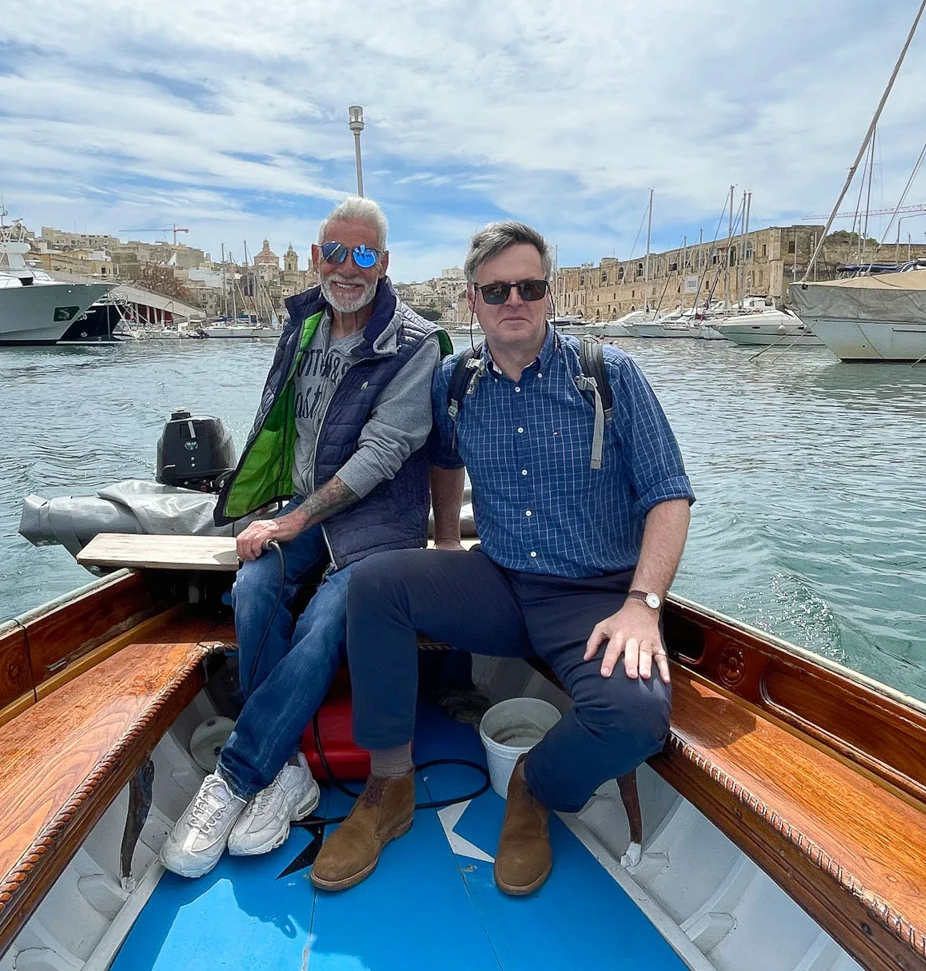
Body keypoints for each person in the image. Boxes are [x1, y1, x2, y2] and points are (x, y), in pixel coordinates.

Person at [311, 220, 693, 896]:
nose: (512, 300)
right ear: (472, 301)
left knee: (636, 719)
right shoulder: (456, 382)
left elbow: (669, 495)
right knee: (374, 586)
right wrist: (448, 544)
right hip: (499, 579)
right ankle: (389, 784)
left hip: (593, 597)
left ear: (549, 293)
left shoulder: (608, 376)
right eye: (495, 291)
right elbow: (445, 461)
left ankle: (534, 787)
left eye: (528, 286)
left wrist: (642, 605)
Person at [161, 197, 447, 878]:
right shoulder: (304, 323)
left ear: (385, 263)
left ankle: (235, 775)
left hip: (377, 526)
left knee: (325, 620)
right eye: (335, 253)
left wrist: (290, 520)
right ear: (317, 257)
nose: (349, 268)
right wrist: (262, 510)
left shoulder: (414, 345)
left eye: (365, 255)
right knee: (254, 584)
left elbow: (381, 454)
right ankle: (287, 770)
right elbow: (280, 424)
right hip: (305, 510)